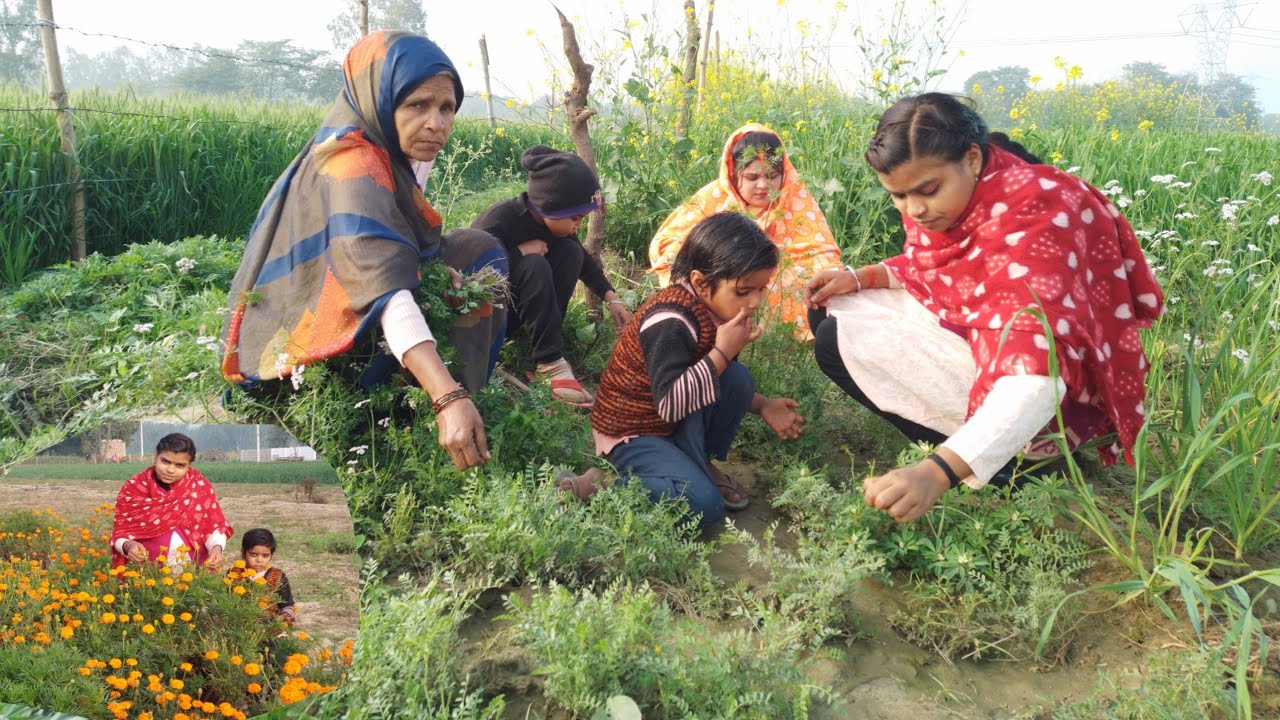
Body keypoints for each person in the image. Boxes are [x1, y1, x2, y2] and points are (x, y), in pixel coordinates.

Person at [805, 93, 1164, 524]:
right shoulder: (979, 189)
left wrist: (935, 474)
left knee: (834, 339)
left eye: (927, 190)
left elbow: (1039, 378)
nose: (915, 210)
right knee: (833, 309)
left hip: (1052, 397)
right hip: (997, 348)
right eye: (898, 196)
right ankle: (979, 451)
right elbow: (944, 269)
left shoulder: (1035, 218)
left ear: (972, 158)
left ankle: (1010, 467)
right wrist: (862, 277)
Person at [220, 30, 505, 471]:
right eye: (417, 105)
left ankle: (445, 406)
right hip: (298, 360)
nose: (437, 123)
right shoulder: (353, 162)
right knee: (427, 286)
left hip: (347, 303)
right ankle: (427, 419)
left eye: (447, 108)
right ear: (381, 98)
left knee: (480, 250)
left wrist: (433, 269)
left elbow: (392, 239)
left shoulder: (392, 147)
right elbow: (383, 288)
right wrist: (446, 396)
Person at [593, 212, 807, 525]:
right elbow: (670, 404)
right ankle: (604, 485)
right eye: (743, 291)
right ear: (701, 283)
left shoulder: (717, 311)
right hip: (634, 432)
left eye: (761, 289)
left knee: (737, 379)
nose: (755, 302)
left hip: (673, 421)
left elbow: (713, 380)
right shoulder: (670, 321)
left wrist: (762, 405)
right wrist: (722, 351)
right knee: (702, 505)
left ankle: (698, 461)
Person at [648, 124, 843, 340]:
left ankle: (782, 336)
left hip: (785, 266)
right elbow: (670, 239)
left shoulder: (795, 196)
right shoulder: (714, 196)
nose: (763, 185)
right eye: (752, 177)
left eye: (773, 176)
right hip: (728, 264)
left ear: (784, 174)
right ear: (733, 173)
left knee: (809, 279)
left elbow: (821, 250)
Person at [472, 145, 632, 407]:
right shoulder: (499, 219)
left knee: (572, 252)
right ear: (550, 207)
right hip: (491, 318)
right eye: (576, 218)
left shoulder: (557, 227)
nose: (578, 225)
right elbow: (472, 276)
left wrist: (611, 297)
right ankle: (549, 363)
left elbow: (586, 263)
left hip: (525, 312)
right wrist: (519, 254)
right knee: (534, 264)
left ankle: (544, 344)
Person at [110, 433, 232, 572]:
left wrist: (217, 549)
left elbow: (213, 528)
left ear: (189, 465)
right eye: (165, 462)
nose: (170, 470)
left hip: (193, 573)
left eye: (180, 465)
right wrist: (128, 546)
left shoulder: (199, 487)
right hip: (147, 574)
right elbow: (120, 532)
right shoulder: (134, 488)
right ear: (156, 457)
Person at [235, 528, 297, 626]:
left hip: (270, 629)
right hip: (240, 629)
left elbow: (287, 605)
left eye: (265, 555)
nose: (259, 560)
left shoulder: (278, 576)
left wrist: (285, 615)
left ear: (271, 555)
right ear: (243, 552)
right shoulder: (234, 574)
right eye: (254, 554)